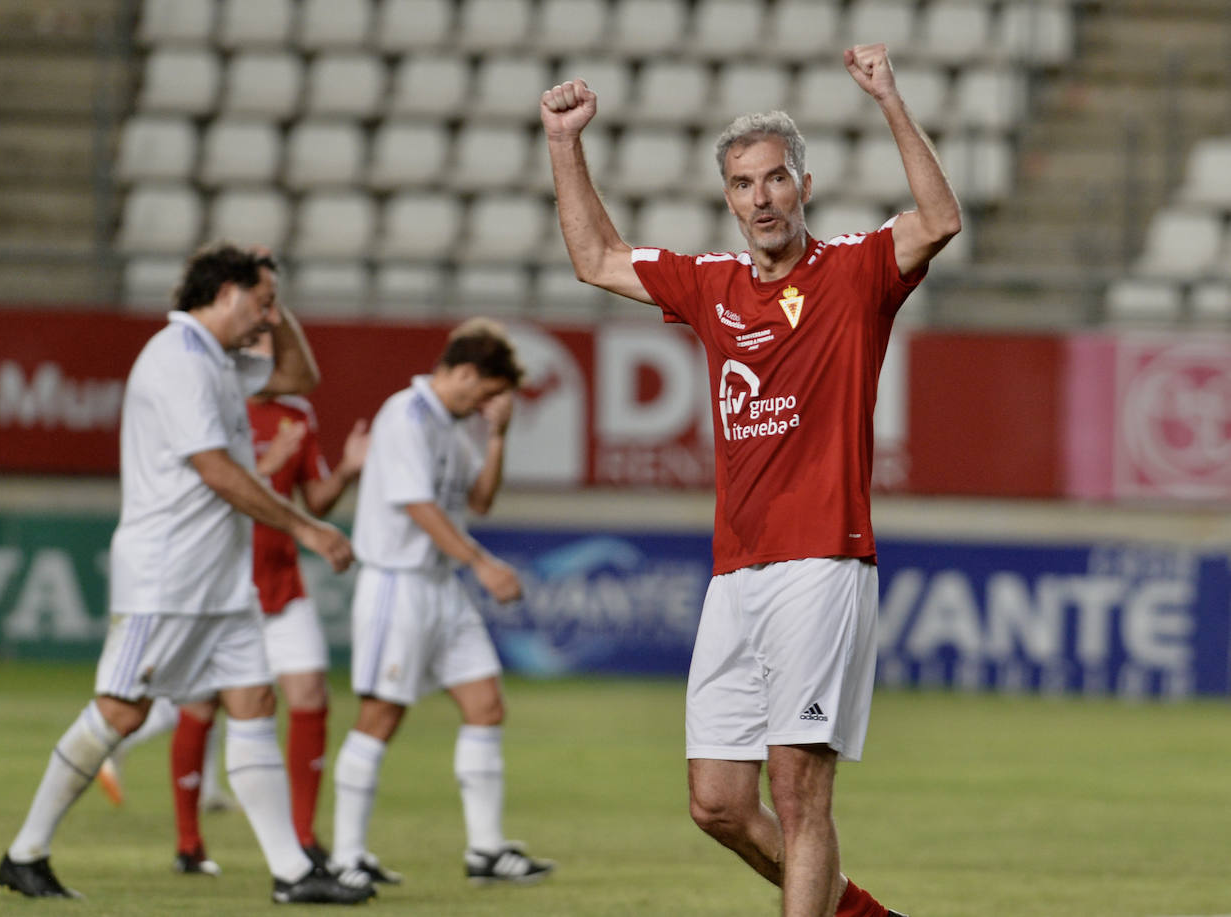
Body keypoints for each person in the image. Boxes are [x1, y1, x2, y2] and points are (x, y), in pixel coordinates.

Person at [541, 44, 960, 917]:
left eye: (775, 179)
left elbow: (939, 217)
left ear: (802, 184)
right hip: (735, 570)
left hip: (821, 561)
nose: (760, 198)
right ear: (727, 197)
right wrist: (563, 142)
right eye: (742, 183)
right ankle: (858, 912)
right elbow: (596, 258)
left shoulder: (854, 271)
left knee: (802, 797)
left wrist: (888, 98)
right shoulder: (711, 285)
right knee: (718, 802)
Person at [0, 243, 373, 906]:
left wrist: (276, 315)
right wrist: (307, 527)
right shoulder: (177, 361)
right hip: (166, 578)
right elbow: (217, 470)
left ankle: (291, 871)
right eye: (259, 301)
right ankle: (25, 852)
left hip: (221, 583)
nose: (267, 316)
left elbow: (299, 376)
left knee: (254, 700)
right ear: (224, 292)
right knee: (121, 710)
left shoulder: (219, 361)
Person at [326, 319, 555, 891]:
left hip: (440, 586)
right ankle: (346, 856)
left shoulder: (452, 428)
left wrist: (497, 436)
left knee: (486, 703)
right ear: (463, 372)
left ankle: (485, 852)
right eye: (485, 393)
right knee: (381, 716)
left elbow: (478, 499)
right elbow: (418, 508)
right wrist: (481, 563)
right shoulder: (404, 415)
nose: (485, 403)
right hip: (397, 583)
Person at [166, 359, 371, 876]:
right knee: (200, 707)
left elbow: (315, 498)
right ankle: (189, 843)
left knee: (309, 695)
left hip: (282, 586)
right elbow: (202, 494)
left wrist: (346, 469)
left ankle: (303, 838)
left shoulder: (295, 413)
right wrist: (265, 466)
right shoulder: (209, 405)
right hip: (218, 587)